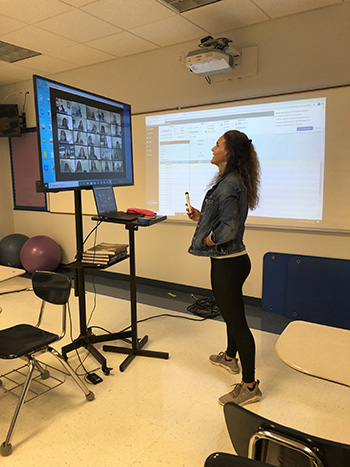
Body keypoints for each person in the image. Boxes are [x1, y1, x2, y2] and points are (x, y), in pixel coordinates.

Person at [187, 130, 261, 407]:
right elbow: (225, 218)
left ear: (229, 152)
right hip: (232, 261)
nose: (213, 149)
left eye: (217, 145)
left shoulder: (229, 184)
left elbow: (228, 228)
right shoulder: (231, 181)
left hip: (228, 263)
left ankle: (250, 386)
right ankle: (230, 358)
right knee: (232, 314)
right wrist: (202, 217)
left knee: (238, 322)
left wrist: (210, 238)